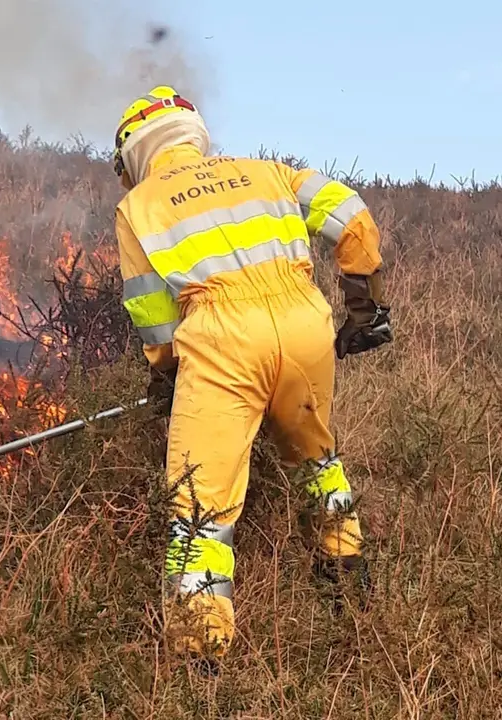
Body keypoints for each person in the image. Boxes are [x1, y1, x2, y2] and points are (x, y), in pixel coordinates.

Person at [112, 86, 393, 659]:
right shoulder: (265, 171)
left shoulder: (137, 207)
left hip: (221, 340)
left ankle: (200, 654)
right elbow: (352, 217)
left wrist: (169, 378)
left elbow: (153, 316)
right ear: (194, 134)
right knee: (314, 457)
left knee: (200, 505)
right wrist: (364, 306)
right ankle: (346, 579)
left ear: (135, 154)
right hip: (305, 320)